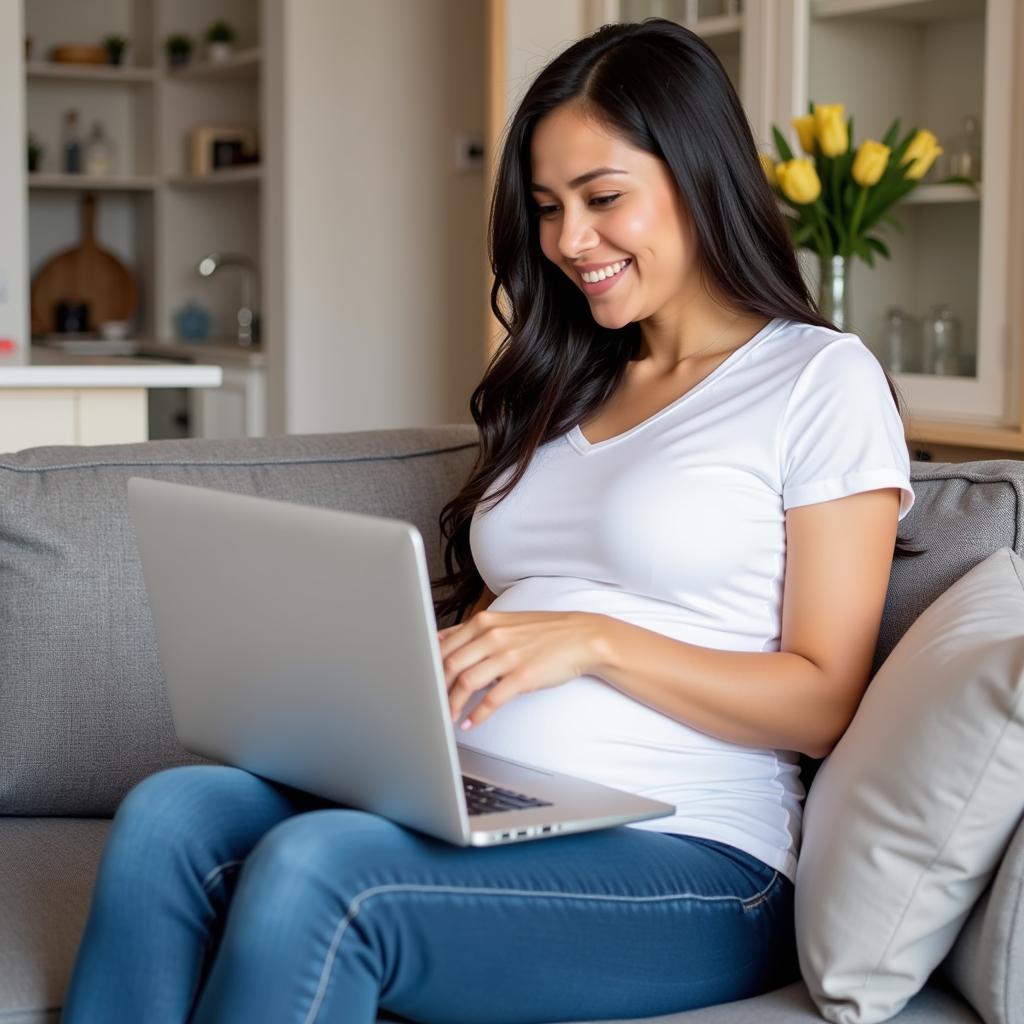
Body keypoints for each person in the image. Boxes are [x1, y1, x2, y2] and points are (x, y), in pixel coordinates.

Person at [63, 18, 916, 1024]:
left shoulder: (817, 379)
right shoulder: (565, 379)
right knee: (173, 811)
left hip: (698, 857)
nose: (567, 241)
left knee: (320, 868)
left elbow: (823, 697)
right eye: (549, 208)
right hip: (483, 803)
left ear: (699, 175)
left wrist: (595, 642)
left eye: (603, 199)